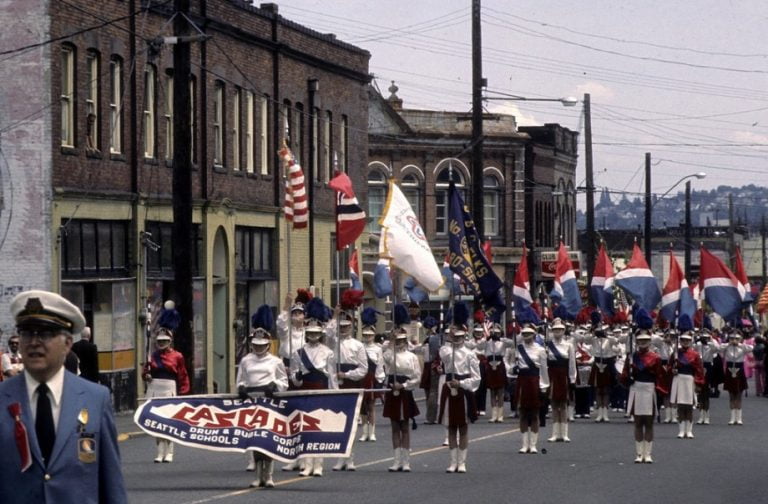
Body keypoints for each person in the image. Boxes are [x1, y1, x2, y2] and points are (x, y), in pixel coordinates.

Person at [0, 290, 127, 503]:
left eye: (46, 333)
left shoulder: (95, 399)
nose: (34, 342)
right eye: (27, 333)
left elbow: (112, 487)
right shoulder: (3, 399)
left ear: (68, 344)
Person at [236, 305, 288, 488]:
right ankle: (258, 475)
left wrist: (275, 387)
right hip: (252, 403)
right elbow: (240, 380)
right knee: (255, 439)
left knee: (269, 438)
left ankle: (269, 474)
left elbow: (284, 382)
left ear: (268, 344)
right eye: (256, 345)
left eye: (262, 345)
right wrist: (241, 389)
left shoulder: (276, 361)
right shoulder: (246, 360)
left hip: (270, 402)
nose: (259, 348)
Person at [289, 298, 338, 477]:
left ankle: (318, 464)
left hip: (321, 389)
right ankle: (306, 463)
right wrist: (297, 378)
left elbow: (331, 376)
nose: (313, 336)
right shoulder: (298, 353)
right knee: (304, 428)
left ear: (320, 334)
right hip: (305, 391)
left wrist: (334, 395)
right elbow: (294, 377)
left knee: (319, 427)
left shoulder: (328, 352)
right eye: (310, 333)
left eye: (316, 333)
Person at [326, 292, 367, 472]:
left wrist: (348, 375)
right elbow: (328, 332)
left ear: (352, 326)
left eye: (346, 326)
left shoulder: (358, 346)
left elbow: (363, 369)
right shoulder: (332, 341)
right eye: (341, 327)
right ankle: (339, 457)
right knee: (337, 423)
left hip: (351, 384)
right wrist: (335, 315)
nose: (343, 329)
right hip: (335, 384)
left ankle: (350, 458)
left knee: (351, 423)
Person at [438, 302, 480, 473]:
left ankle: (462, 461)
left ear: (464, 336)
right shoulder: (446, 350)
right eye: (454, 337)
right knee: (451, 426)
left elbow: (476, 378)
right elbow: (445, 357)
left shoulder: (470, 354)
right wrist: (449, 340)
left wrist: (462, 383)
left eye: (459, 337)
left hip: (462, 389)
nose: (456, 339)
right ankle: (452, 461)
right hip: (449, 388)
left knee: (462, 426)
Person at [142, 324, 191, 463]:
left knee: (169, 421)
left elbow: (182, 375)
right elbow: (145, 371)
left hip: (169, 388)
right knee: (157, 421)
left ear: (170, 341)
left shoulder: (177, 356)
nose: (161, 343)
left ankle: (169, 452)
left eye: (164, 340)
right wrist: (146, 375)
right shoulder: (152, 356)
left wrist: (183, 393)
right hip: (154, 388)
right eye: (159, 341)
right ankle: (159, 452)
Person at [621, 327, 663, 464]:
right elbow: (624, 373)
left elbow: (660, 376)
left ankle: (648, 453)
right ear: (637, 342)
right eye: (640, 341)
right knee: (638, 422)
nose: (643, 343)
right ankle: (639, 453)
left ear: (650, 342)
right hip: (636, 388)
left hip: (649, 389)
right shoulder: (632, 357)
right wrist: (627, 378)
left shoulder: (656, 358)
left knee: (649, 423)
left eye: (645, 340)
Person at [383, 325, 421, 472]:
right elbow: (386, 358)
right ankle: (396, 460)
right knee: (394, 426)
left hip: (404, 391)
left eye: (401, 341)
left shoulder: (412, 357)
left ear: (406, 341)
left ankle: (406, 461)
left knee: (405, 426)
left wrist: (404, 385)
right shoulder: (390, 354)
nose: (399, 343)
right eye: (397, 341)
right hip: (393, 390)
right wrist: (391, 341)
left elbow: (416, 377)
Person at [515, 325, 549, 454]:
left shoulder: (540, 350)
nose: (526, 336)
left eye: (528, 334)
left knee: (534, 414)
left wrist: (544, 386)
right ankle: (524, 444)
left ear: (534, 335)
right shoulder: (518, 349)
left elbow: (544, 370)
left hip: (534, 381)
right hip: (522, 381)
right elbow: (511, 362)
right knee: (523, 413)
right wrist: (512, 369)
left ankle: (533, 444)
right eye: (524, 334)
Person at [670, 331, 705, 439]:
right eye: (683, 340)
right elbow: (669, 366)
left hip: (690, 380)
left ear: (690, 342)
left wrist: (698, 384)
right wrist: (673, 370)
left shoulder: (695, 354)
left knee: (689, 406)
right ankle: (681, 430)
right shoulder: (675, 353)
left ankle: (689, 430)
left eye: (687, 340)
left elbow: (699, 370)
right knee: (680, 406)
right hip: (679, 379)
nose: (685, 342)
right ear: (680, 341)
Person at [546, 318, 576, 442]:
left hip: (563, 375)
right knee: (554, 404)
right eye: (555, 330)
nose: (558, 332)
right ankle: (555, 433)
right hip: (552, 375)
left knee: (563, 404)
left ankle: (564, 433)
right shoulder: (547, 345)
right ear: (552, 331)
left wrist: (572, 378)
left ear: (564, 331)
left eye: (560, 330)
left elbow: (572, 364)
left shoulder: (568, 345)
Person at [359, 308, 385, 442]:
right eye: (365, 335)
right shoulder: (359, 347)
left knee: (371, 405)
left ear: (374, 335)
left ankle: (372, 432)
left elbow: (380, 365)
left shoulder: (378, 349)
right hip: (362, 378)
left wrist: (379, 380)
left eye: (370, 335)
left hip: (372, 378)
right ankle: (364, 432)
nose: (367, 337)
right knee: (362, 406)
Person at [484, 321, 513, 423]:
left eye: (497, 333)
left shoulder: (503, 342)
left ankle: (500, 415)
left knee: (500, 391)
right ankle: (494, 414)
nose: (495, 335)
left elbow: (512, 343)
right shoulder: (488, 342)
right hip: (490, 365)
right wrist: (487, 338)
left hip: (499, 365)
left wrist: (500, 339)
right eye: (494, 333)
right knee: (492, 391)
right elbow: (478, 346)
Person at [589, 325, 619, 422]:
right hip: (597, 363)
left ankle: (605, 413)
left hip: (607, 363)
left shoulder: (609, 340)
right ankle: (599, 413)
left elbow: (616, 341)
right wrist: (593, 331)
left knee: (606, 389)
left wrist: (607, 335)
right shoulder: (593, 340)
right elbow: (585, 339)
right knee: (598, 389)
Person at [722, 330, 753, 425]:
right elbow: (717, 348)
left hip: (739, 370)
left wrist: (739, 344)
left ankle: (739, 418)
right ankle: (732, 417)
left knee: (739, 394)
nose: (734, 340)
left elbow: (751, 348)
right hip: (730, 369)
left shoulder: (742, 347)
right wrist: (729, 344)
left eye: (737, 338)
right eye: (732, 338)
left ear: (740, 339)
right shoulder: (726, 347)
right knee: (731, 395)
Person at [276, 289, 312, 368]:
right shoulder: (287, 332)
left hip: (304, 364)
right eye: (294, 313)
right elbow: (281, 325)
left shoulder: (308, 332)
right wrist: (286, 306)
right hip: (287, 365)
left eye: (299, 313)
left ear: (305, 315)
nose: (297, 315)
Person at [418, 316, 441, 424]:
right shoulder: (426, 339)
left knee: (433, 392)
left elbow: (435, 354)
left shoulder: (435, 338)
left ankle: (432, 416)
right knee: (428, 391)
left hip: (433, 365)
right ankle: (430, 414)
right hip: (427, 366)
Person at [695, 330, 718, 424]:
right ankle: (701, 415)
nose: (705, 339)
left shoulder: (711, 345)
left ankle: (707, 416)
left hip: (708, 367)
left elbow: (716, 349)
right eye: (703, 337)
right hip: (699, 367)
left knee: (706, 394)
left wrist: (710, 341)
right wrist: (697, 340)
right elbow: (692, 348)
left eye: (707, 337)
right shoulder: (698, 345)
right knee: (700, 393)